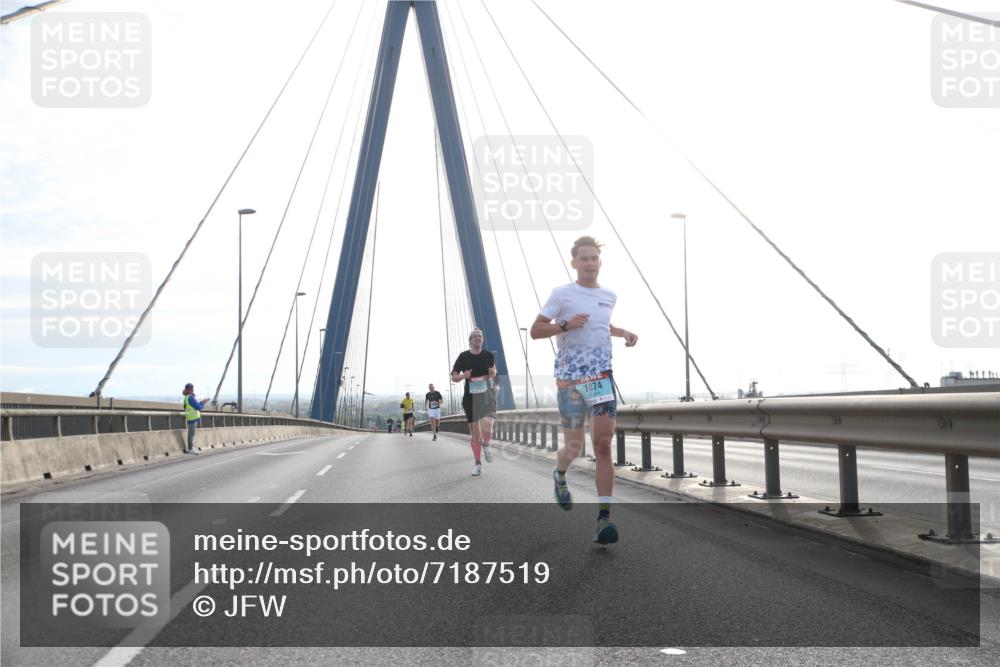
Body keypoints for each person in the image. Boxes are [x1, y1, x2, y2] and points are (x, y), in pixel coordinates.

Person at [530, 236, 638, 545]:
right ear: (574, 263)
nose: (590, 263)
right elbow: (537, 330)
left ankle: (604, 519)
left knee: (603, 446)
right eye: (584, 259)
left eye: (594, 258)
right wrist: (564, 327)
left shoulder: (609, 295)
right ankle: (560, 474)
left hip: (601, 379)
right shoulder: (562, 294)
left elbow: (601, 325)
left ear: (599, 262)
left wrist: (623, 332)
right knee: (574, 449)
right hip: (570, 381)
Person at [451, 328, 496, 476]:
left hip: (486, 396)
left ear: (482, 339)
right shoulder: (463, 357)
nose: (477, 338)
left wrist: (493, 373)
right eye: (475, 336)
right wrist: (464, 375)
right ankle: (477, 464)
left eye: (480, 336)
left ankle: (487, 444)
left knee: (487, 427)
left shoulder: (488, 355)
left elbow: (493, 371)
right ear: (470, 340)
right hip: (470, 398)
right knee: (476, 433)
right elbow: (454, 377)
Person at [181, 383, 208, 454]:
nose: (193, 390)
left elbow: (186, 407)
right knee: (191, 434)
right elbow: (198, 407)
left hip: (189, 417)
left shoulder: (186, 397)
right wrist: (203, 402)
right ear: (190, 389)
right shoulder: (190, 397)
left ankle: (190, 448)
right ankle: (190, 448)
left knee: (190, 433)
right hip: (193, 418)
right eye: (192, 388)